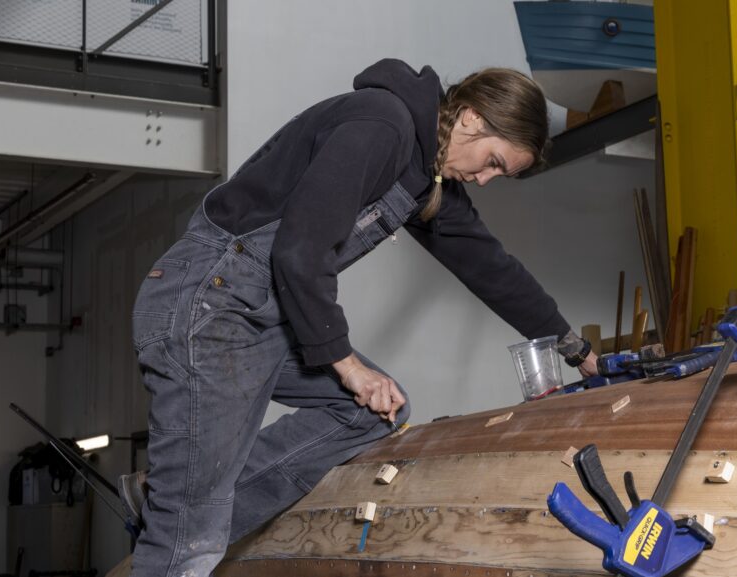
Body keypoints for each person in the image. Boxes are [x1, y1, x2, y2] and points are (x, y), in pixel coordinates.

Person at [124, 58, 599, 576]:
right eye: (493, 162)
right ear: (471, 118)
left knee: (371, 411)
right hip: (210, 304)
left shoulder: (424, 177)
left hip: (262, 312)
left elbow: (488, 266)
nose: (484, 179)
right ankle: (184, 510)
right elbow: (300, 252)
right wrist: (348, 364)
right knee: (189, 541)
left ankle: (176, 497)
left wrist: (574, 346)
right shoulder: (382, 125)